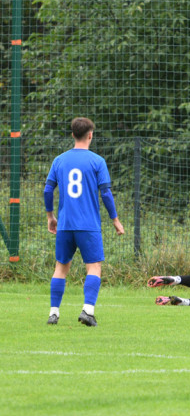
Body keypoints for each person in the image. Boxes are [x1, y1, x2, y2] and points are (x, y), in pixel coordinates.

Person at [43, 117, 125, 326]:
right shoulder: (97, 161)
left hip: (65, 225)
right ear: (90, 135)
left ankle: (54, 313)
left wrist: (50, 216)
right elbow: (105, 193)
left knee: (60, 268)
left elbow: (47, 189)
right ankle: (87, 310)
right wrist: (115, 219)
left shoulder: (59, 160)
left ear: (72, 135)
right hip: (88, 225)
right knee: (94, 267)